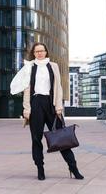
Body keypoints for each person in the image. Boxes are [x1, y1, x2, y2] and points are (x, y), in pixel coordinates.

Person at [10, 42, 84, 181]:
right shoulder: (29, 67)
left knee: (62, 138)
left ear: (46, 52)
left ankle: (73, 168)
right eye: (37, 51)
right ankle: (40, 168)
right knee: (36, 139)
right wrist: (27, 108)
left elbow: (58, 87)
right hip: (35, 104)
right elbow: (26, 89)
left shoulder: (53, 66)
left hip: (51, 103)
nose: (39, 53)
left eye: (42, 50)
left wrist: (58, 106)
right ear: (34, 53)